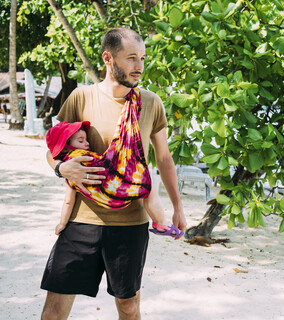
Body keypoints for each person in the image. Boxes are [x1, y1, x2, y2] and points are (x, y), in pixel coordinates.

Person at [41, 28, 187, 320]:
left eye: (142, 58)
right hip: (81, 220)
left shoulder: (150, 102)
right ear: (108, 58)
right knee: (54, 311)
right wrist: (60, 168)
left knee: (129, 306)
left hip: (130, 222)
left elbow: (164, 158)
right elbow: (53, 147)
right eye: (131, 58)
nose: (139, 66)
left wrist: (178, 206)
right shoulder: (81, 97)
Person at [45, 121, 171, 236]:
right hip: (117, 188)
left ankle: (159, 223)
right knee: (148, 187)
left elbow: (68, 201)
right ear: (66, 146)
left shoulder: (71, 171)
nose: (87, 143)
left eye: (86, 139)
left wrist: (62, 224)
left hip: (106, 199)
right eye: (81, 141)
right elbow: (107, 164)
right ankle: (160, 223)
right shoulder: (83, 158)